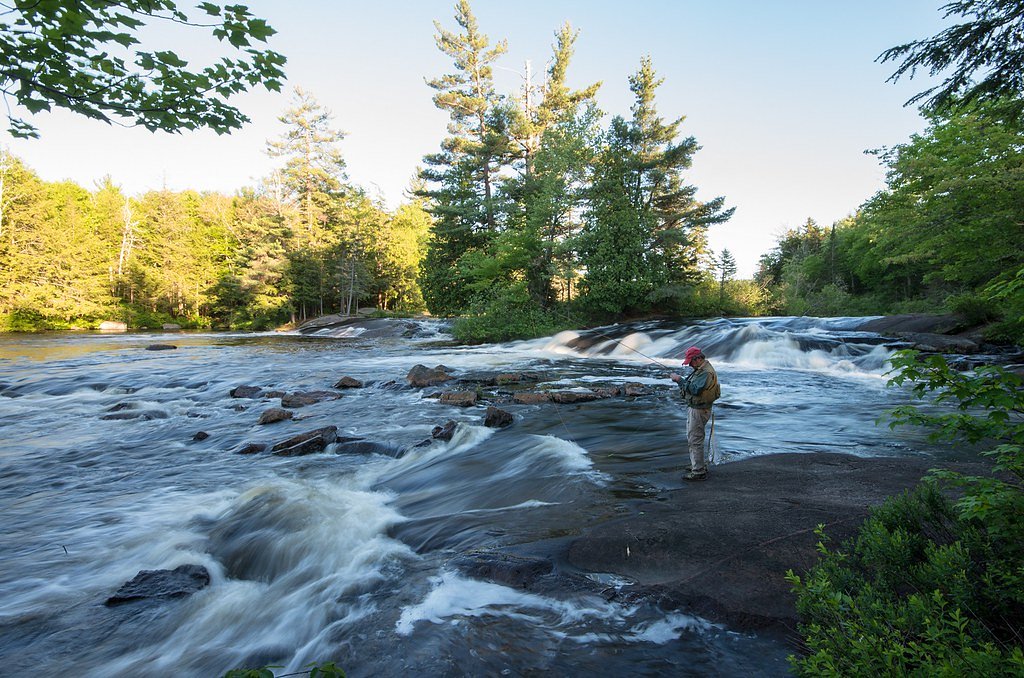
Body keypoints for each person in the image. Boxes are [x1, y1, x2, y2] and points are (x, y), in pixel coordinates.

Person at [670, 346, 720, 481]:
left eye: (690, 362)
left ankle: (698, 471)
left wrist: (679, 380)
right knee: (693, 437)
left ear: (698, 359)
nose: (690, 365)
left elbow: (695, 389)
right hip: (697, 408)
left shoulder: (705, 372)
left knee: (695, 439)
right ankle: (697, 464)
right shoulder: (701, 369)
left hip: (699, 410)